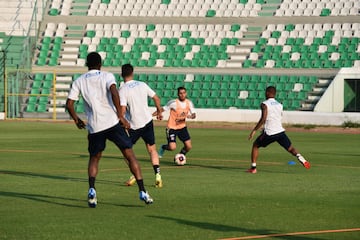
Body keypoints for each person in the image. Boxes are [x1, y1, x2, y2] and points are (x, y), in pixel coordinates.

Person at [66, 52, 153, 207]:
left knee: (94, 158)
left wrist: (77, 120)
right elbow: (114, 93)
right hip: (112, 123)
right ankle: (142, 191)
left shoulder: (79, 81)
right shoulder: (107, 76)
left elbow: (69, 104)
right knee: (129, 154)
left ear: (87, 64)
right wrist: (121, 116)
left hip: (95, 126)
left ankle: (92, 189)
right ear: (100, 64)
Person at [119, 64, 164, 188]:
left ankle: (134, 174)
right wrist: (159, 111)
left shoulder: (123, 90)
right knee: (152, 150)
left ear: (122, 74)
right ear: (133, 73)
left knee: (126, 152)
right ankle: (158, 175)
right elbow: (156, 98)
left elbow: (122, 110)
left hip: (134, 126)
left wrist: (120, 120)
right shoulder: (142, 84)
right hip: (147, 122)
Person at [247, 86, 311, 173]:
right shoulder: (280, 105)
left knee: (255, 145)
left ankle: (253, 168)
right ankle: (300, 157)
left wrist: (254, 130)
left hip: (270, 133)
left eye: (266, 92)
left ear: (267, 93)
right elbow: (278, 117)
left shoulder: (264, 104)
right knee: (290, 148)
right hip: (280, 132)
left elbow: (263, 119)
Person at [156, 87, 196, 160]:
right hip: (172, 128)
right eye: (180, 93)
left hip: (182, 127)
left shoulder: (189, 103)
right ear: (178, 94)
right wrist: (152, 115)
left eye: (184, 93)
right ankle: (163, 147)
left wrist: (191, 116)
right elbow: (162, 109)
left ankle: (180, 156)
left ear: (186, 93)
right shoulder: (173, 103)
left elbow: (194, 114)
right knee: (172, 147)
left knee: (188, 146)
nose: (182, 95)